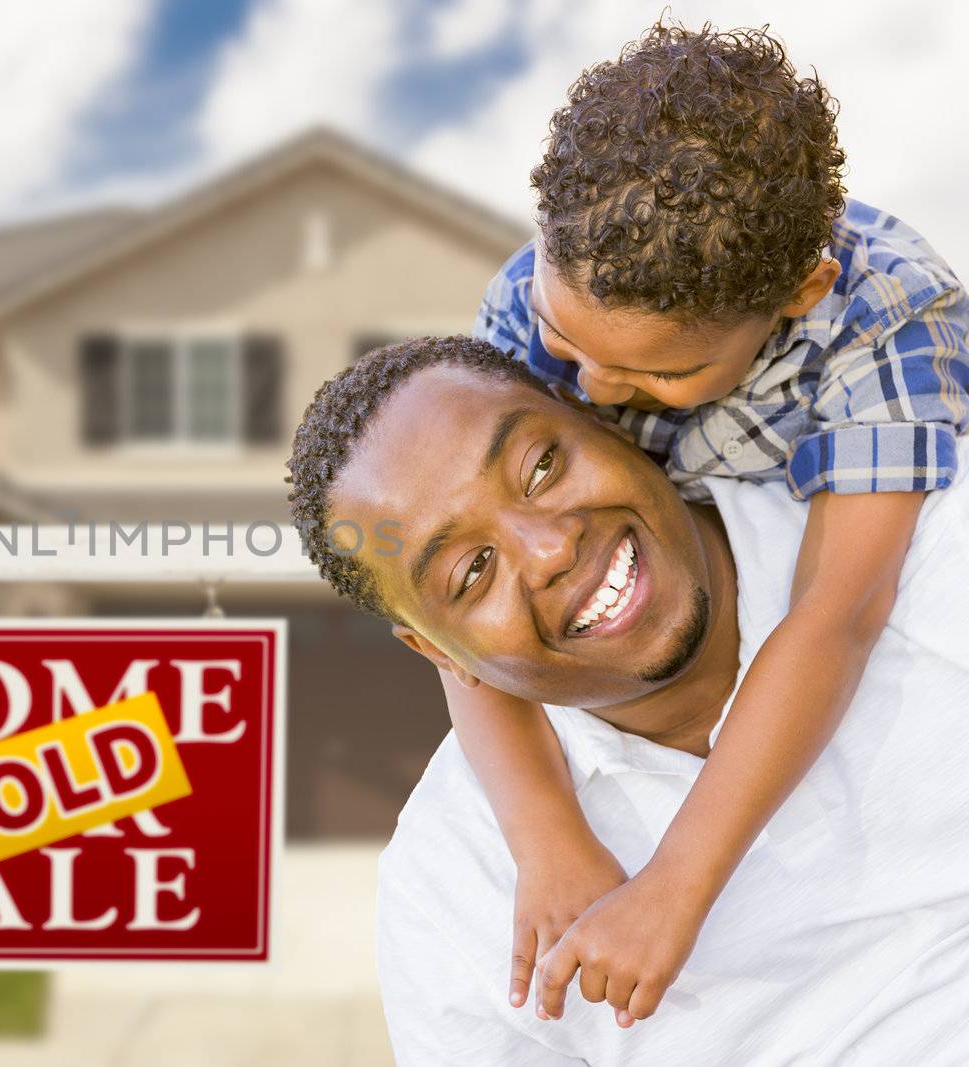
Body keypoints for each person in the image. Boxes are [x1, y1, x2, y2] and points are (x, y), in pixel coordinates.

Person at [455, 20, 969, 1024]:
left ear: (798, 293)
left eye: (659, 371)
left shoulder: (892, 317)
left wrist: (672, 888)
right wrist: (546, 833)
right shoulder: (530, 299)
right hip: (660, 587)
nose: (590, 385)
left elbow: (837, 610)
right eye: (569, 340)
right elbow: (449, 595)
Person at [284, 335, 969, 1062]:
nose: (549, 549)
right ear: (440, 655)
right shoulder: (452, 887)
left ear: (602, 417)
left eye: (541, 466)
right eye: (472, 570)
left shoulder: (928, 543)